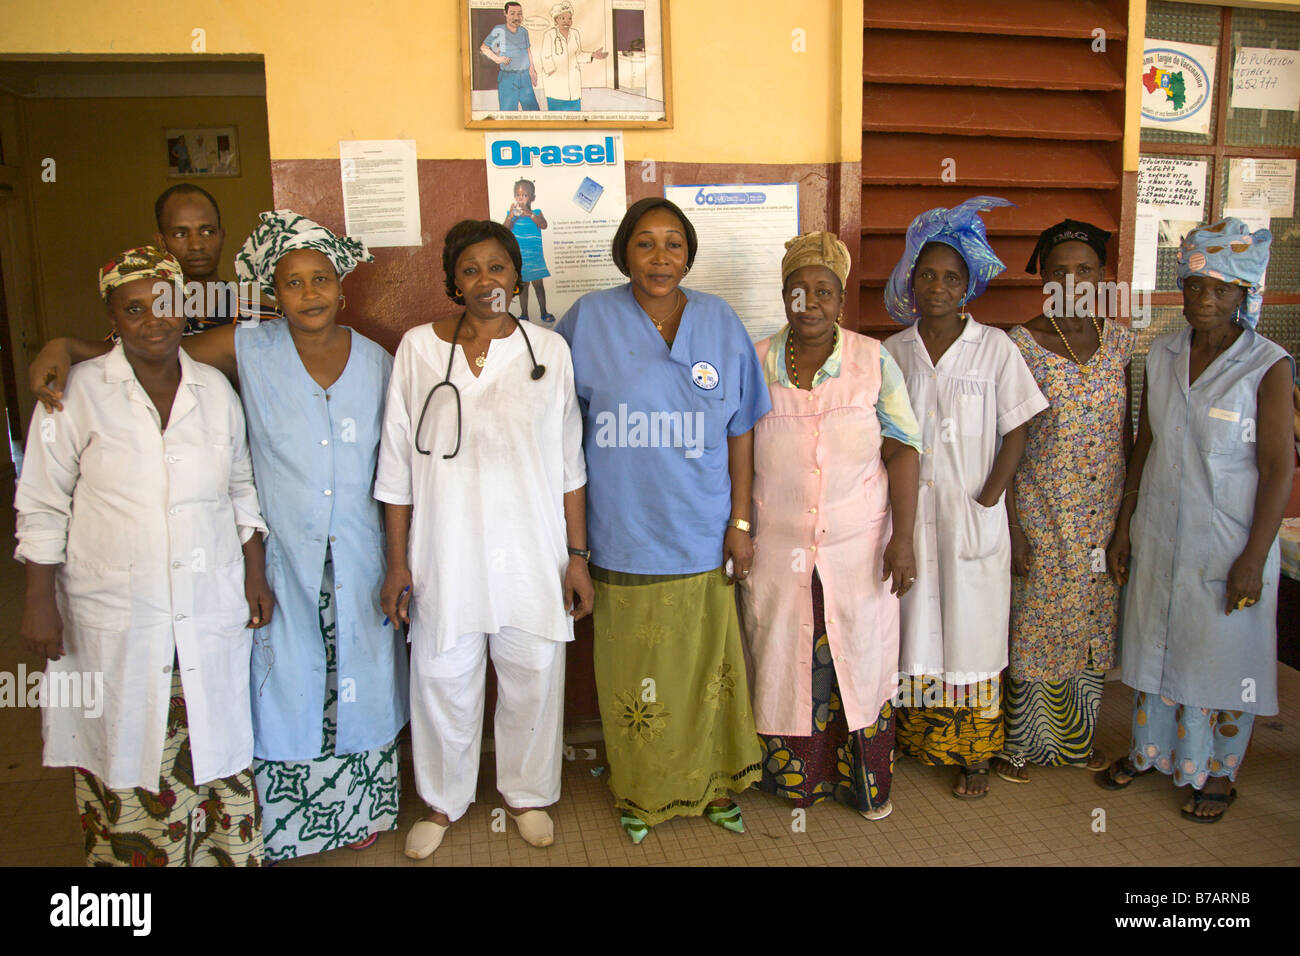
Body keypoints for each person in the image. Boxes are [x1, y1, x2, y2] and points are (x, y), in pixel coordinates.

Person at [27, 212, 410, 862]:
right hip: (279, 557)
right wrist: (65, 346)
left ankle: (356, 814)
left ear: (343, 288)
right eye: (293, 282)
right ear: (273, 290)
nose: (310, 293)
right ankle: (284, 825)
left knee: (356, 683)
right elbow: (151, 350)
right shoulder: (245, 347)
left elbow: (393, 466)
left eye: (322, 279)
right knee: (283, 687)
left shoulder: (377, 361)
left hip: (354, 555)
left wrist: (397, 560)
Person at [15, 246, 272, 866]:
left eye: (164, 303)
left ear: (185, 306)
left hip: (209, 608)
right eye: (134, 308)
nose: (153, 319)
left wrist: (255, 572)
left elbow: (240, 486)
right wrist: (38, 601)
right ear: (112, 315)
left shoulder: (215, 390)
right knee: (128, 751)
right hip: (117, 613)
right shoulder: (72, 394)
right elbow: (43, 506)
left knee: (216, 751)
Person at [556, 197, 771, 843]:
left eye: (673, 243)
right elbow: (559, 430)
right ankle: (642, 791)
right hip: (622, 536)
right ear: (624, 251)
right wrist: (576, 547)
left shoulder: (719, 321)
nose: (659, 257)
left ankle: (714, 785)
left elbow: (740, 431)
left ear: (689, 253)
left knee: (708, 672)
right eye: (645, 243)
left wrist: (740, 522)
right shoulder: (589, 320)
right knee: (636, 679)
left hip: (701, 533)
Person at [375, 219, 591, 860]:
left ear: (516, 276)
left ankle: (525, 794)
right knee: (442, 676)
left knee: (533, 672)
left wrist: (577, 558)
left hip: (533, 550)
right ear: (453, 281)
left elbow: (570, 466)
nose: (485, 280)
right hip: (446, 551)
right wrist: (396, 564)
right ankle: (442, 801)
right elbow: (395, 467)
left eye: (497, 267)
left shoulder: (548, 352)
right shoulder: (417, 349)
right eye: (470, 269)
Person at [1101, 218, 1295, 822]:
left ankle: (1216, 774)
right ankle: (1148, 752)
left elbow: (1277, 468)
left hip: (1229, 543)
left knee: (1220, 661)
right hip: (1160, 530)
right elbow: (1147, 441)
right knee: (1154, 647)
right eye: (1193, 285)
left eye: (1220, 288)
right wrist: (1125, 520)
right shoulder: (1161, 353)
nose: (1203, 299)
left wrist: (1253, 559)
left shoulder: (1267, 366)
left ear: (1244, 295)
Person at [739, 231, 921, 822]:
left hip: (857, 546)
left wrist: (905, 538)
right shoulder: (756, 359)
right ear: (784, 296)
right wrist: (739, 525)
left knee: (857, 659)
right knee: (787, 654)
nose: (810, 302)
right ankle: (797, 783)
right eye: (799, 290)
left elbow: (904, 449)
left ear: (841, 300)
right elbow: (735, 448)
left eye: (825, 291)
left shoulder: (874, 360)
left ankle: (862, 784)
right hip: (779, 547)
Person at [883, 196, 1048, 799]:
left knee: (973, 633)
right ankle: (922, 740)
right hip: (910, 520)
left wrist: (989, 499)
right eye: (926, 274)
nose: (937, 286)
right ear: (909, 278)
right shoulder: (893, 353)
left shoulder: (997, 349)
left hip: (974, 516)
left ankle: (975, 754)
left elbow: (1019, 427)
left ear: (969, 284)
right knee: (918, 624)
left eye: (952, 277)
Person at [991, 220, 1136, 783]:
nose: (1072, 280)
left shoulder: (1121, 342)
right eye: (1059, 271)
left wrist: (1125, 523)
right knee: (1034, 624)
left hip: (1102, 517)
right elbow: (1001, 438)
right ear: (1043, 280)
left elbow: (1128, 436)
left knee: (1092, 625)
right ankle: (1019, 746)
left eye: (1084, 270)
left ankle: (1075, 743)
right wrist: (1013, 526)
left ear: (1102, 278)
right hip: (1039, 510)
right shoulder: (1018, 344)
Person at [540, 1, 607, 111]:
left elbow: (578, 54)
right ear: (556, 19)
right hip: (556, 81)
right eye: (562, 18)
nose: (567, 21)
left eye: (569, 18)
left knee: (575, 115)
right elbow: (545, 56)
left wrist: (593, 55)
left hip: (573, 81)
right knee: (557, 115)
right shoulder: (549, 35)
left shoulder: (575, 33)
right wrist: (552, 70)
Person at [505, 179, 553, 323]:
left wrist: (530, 214)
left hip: (535, 257)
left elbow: (543, 225)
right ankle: (524, 313)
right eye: (518, 195)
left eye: (525, 195)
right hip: (520, 258)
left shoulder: (536, 213)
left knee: (539, 286)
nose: (521, 198)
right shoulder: (512, 214)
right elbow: (504, 230)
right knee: (523, 287)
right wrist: (511, 217)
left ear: (532, 198)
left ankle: (544, 312)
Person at [481, 2, 540, 111]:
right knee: (508, 112)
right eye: (512, 13)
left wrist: (532, 70)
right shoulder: (499, 30)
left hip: (525, 77)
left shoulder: (523, 31)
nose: (516, 17)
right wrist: (498, 59)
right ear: (505, 13)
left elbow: (528, 50)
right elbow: (484, 48)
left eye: (519, 14)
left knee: (533, 111)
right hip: (507, 77)